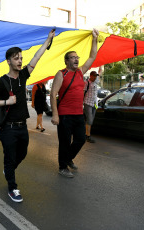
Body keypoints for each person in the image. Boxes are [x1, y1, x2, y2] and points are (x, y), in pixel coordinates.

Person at [0, 29, 55, 203]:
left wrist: (48, 40)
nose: (20, 61)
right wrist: (6, 102)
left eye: (21, 58)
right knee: (9, 157)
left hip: (22, 126)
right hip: (7, 128)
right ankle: (12, 187)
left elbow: (37, 58)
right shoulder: (0, 81)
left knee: (23, 153)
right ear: (8, 61)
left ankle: (8, 170)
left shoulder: (23, 76)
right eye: (16, 58)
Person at [50, 28, 99, 178]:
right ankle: (62, 167)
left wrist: (95, 39)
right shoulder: (61, 73)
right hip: (64, 115)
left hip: (78, 114)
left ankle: (68, 158)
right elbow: (53, 94)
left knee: (81, 139)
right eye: (73, 57)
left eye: (77, 57)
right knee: (64, 142)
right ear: (66, 61)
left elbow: (92, 56)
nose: (76, 59)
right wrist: (55, 114)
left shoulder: (80, 72)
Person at [84, 69, 101, 143]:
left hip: (94, 104)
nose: (95, 77)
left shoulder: (95, 82)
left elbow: (100, 72)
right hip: (87, 103)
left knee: (90, 120)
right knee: (89, 120)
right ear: (90, 76)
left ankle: (85, 134)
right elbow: (83, 93)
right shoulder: (86, 83)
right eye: (94, 76)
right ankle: (87, 135)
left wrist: (101, 67)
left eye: (96, 76)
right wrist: (81, 103)